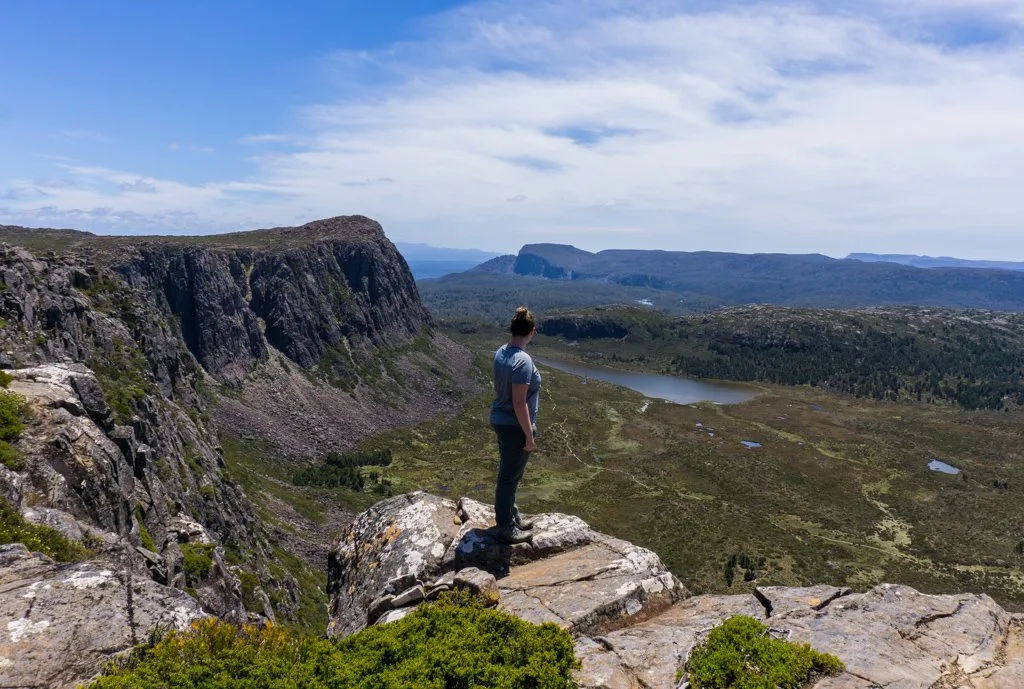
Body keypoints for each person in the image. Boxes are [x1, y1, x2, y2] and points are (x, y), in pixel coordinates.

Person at [489, 306, 541, 544]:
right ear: (532, 331)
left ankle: (512, 515)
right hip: (514, 426)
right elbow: (519, 402)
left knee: (511, 473)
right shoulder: (523, 361)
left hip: (501, 420)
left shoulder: (501, 352)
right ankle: (505, 527)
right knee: (509, 476)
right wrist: (529, 435)